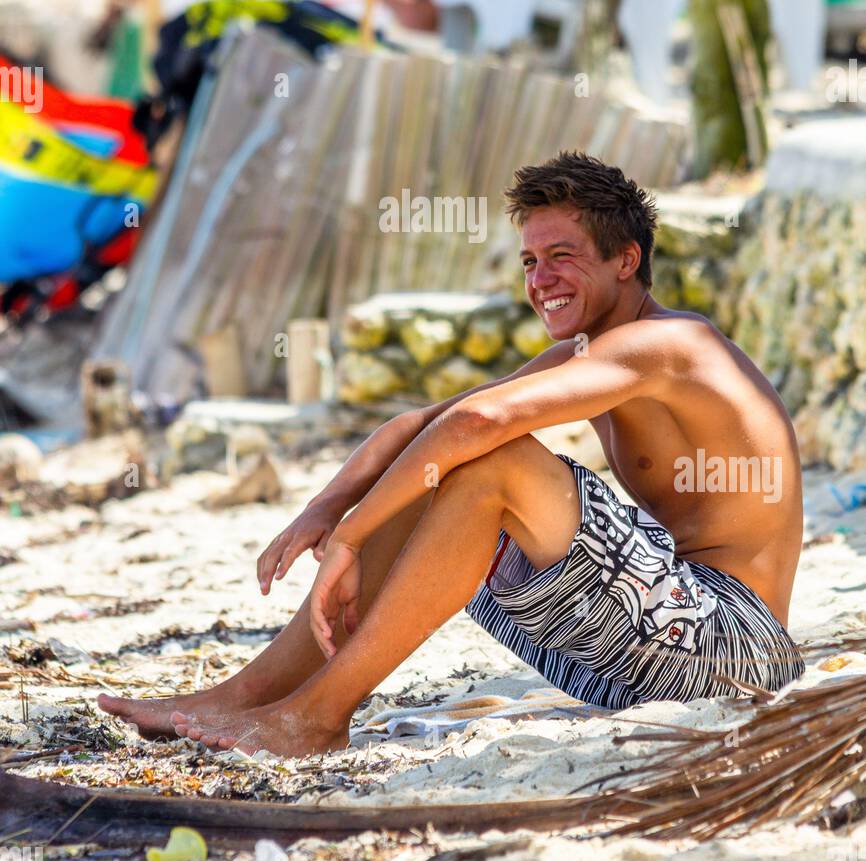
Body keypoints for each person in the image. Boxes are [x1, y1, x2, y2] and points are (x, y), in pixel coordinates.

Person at [99, 152, 804, 756]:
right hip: (644, 652)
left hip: (733, 653)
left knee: (493, 461)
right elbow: (422, 424)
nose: (540, 279)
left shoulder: (673, 343)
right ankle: (251, 693)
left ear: (627, 260)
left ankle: (315, 717)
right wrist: (324, 509)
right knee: (436, 464)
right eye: (530, 261)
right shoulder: (589, 351)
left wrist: (353, 536)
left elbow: (479, 423)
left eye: (562, 256)